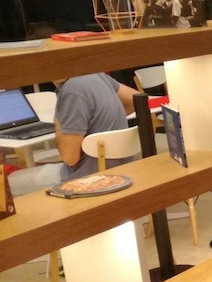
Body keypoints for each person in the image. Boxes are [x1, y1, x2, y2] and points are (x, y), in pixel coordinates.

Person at [8, 73, 140, 196]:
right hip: (123, 169)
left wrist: (61, 123)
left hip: (87, 178)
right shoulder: (96, 75)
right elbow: (137, 99)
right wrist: (99, 119)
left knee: (8, 183)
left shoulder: (72, 90)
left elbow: (70, 158)